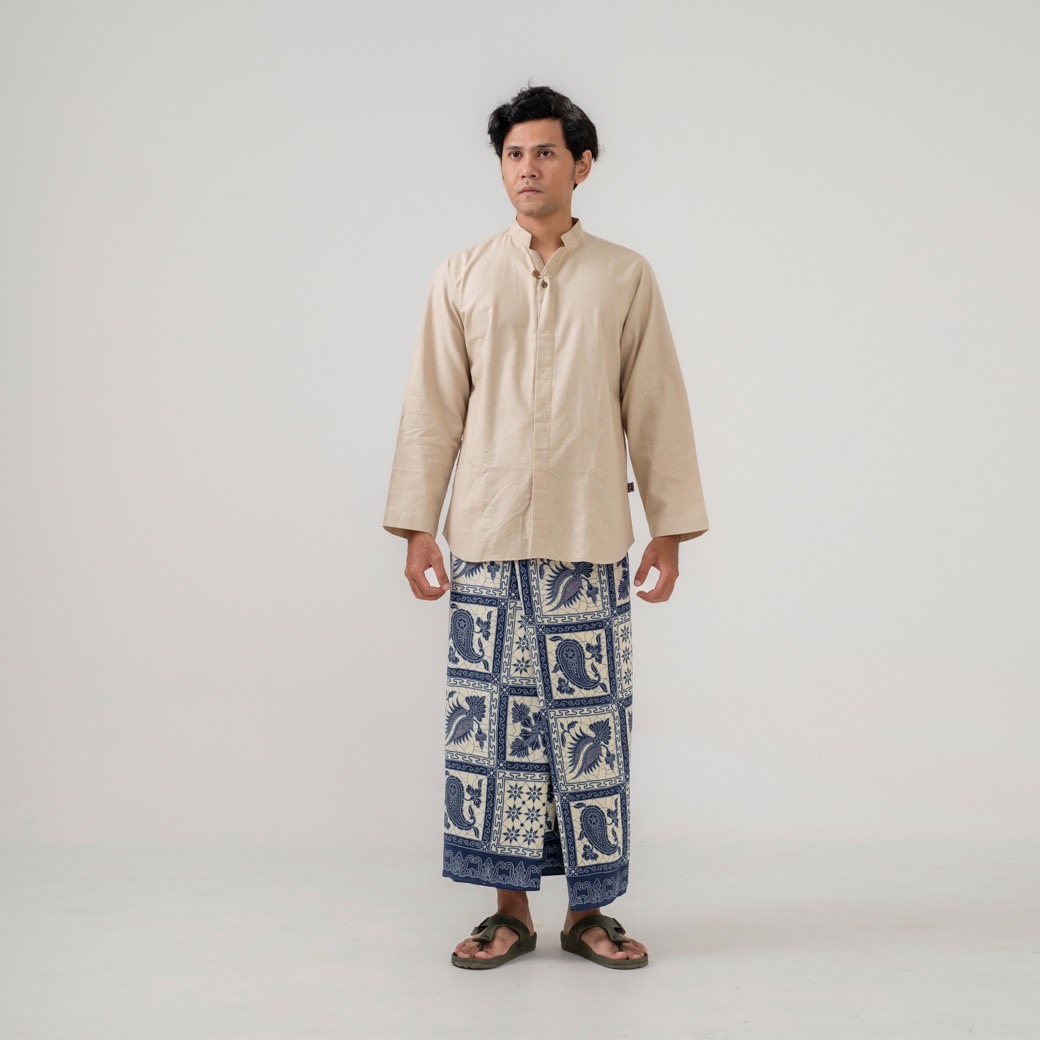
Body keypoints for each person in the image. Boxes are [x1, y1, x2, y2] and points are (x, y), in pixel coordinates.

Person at [383, 85, 708, 970]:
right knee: (494, 731)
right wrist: (417, 526)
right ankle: (511, 914)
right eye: (514, 155)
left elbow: (655, 403)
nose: (528, 169)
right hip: (486, 539)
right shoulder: (461, 275)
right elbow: (432, 407)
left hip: (588, 537)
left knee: (589, 729)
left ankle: (590, 914)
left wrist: (669, 530)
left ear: (582, 165)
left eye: (546, 153)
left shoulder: (625, 276)